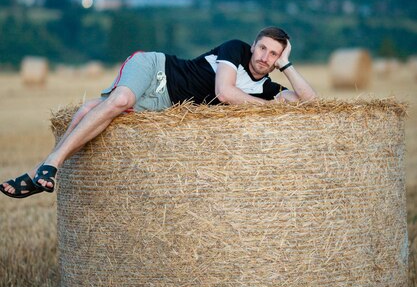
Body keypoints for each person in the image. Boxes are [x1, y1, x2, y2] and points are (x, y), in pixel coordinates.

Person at [1, 26, 317, 199]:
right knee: (121, 99)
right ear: (253, 45)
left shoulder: (267, 87)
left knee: (90, 111)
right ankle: (52, 165)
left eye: (274, 54)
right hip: (156, 70)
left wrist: (287, 66)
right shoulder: (234, 49)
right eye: (262, 47)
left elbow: (311, 103)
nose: (264, 56)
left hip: (162, 104)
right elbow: (224, 92)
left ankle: (35, 175)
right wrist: (266, 110)